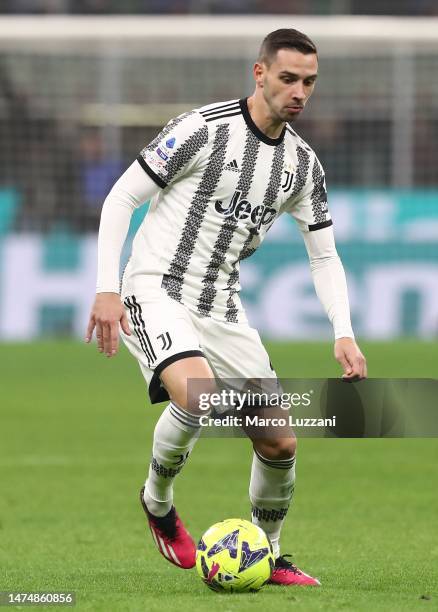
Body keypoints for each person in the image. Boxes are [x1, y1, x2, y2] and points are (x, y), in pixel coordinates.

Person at [86, 28, 367, 586]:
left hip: (223, 308)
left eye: (309, 82)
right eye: (288, 78)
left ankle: (272, 553)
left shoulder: (303, 166)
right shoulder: (201, 130)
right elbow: (122, 197)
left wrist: (344, 329)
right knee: (197, 395)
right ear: (259, 74)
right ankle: (158, 502)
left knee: (280, 440)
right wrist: (106, 288)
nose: (299, 92)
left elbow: (324, 257)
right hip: (156, 289)